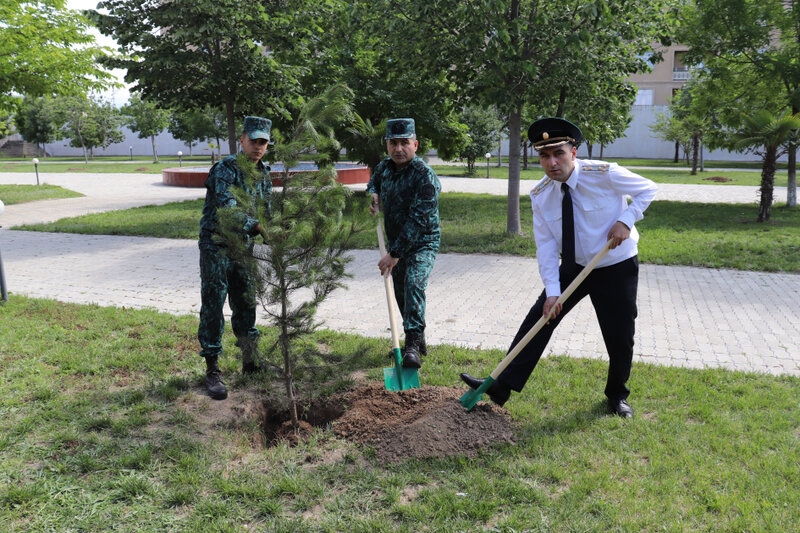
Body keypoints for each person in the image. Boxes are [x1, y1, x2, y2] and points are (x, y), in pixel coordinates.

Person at [460, 117, 657, 418]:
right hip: (574, 266)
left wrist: (626, 220)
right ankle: (502, 385)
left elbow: (648, 189)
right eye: (544, 155)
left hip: (614, 265)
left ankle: (617, 395)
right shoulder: (541, 195)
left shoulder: (603, 174)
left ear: (573, 153)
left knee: (619, 334)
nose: (552, 162)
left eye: (558, 153)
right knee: (539, 320)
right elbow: (547, 248)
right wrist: (553, 292)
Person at [198, 116, 273, 400]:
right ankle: (213, 368)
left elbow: (266, 211)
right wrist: (257, 226)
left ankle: (251, 362)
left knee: (245, 301)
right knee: (214, 303)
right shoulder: (224, 169)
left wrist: (273, 232)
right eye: (253, 140)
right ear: (241, 140)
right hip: (216, 244)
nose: (258, 146)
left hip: (244, 246)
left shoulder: (263, 173)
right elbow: (227, 207)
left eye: (263, 141)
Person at [367, 118, 441, 369]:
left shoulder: (425, 176)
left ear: (415, 144)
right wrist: (373, 194)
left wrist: (394, 253)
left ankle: (411, 345)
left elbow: (419, 219)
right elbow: (373, 182)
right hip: (395, 242)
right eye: (393, 143)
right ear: (387, 145)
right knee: (399, 292)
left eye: (404, 143)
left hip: (422, 242)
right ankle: (418, 339)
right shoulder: (385, 168)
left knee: (413, 284)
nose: (399, 149)